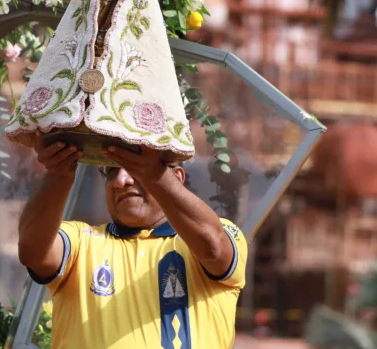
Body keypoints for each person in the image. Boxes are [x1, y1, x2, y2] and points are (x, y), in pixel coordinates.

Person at [18, 137, 247, 348]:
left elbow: (214, 245)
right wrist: (58, 174)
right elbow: (32, 252)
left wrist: (154, 174)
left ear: (175, 178)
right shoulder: (81, 241)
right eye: (110, 170)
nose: (120, 181)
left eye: (134, 167)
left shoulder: (218, 235)